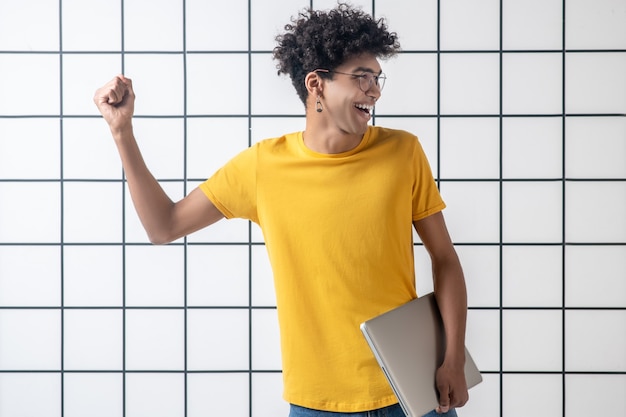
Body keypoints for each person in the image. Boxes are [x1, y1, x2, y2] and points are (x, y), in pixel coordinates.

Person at [93, 3, 469, 417]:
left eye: (378, 78)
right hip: (317, 401)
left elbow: (445, 259)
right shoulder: (261, 167)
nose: (375, 90)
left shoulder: (403, 152)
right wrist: (122, 131)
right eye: (362, 77)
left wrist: (452, 360)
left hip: (413, 390)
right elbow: (163, 226)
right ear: (316, 84)